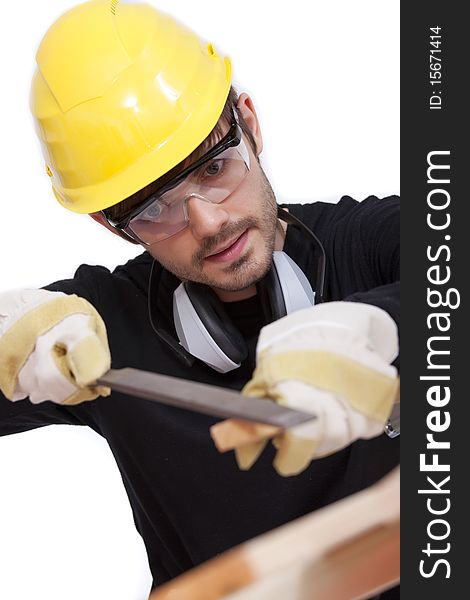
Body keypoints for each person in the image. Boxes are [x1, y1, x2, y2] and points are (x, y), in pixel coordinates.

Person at [0, 0, 400, 597]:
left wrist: (380, 325)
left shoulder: (370, 245)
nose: (209, 223)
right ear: (116, 227)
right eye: (154, 208)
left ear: (251, 125)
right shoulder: (93, 335)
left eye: (215, 166)